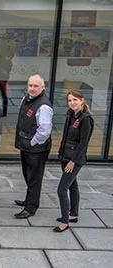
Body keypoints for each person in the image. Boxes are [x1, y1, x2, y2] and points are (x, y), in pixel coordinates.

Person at [14, 74, 53, 219]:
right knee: (28, 175)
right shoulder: (27, 99)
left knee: (34, 178)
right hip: (27, 147)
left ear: (42, 87)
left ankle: (30, 208)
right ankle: (29, 200)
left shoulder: (43, 105)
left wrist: (31, 142)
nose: (32, 88)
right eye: (30, 85)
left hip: (36, 149)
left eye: (36, 86)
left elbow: (44, 131)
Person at [54, 90, 94, 232]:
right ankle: (73, 214)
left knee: (61, 189)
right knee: (73, 185)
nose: (72, 103)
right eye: (70, 100)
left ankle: (65, 222)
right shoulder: (70, 114)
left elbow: (83, 143)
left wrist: (72, 161)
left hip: (74, 159)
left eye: (75, 100)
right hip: (65, 156)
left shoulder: (86, 119)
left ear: (82, 100)